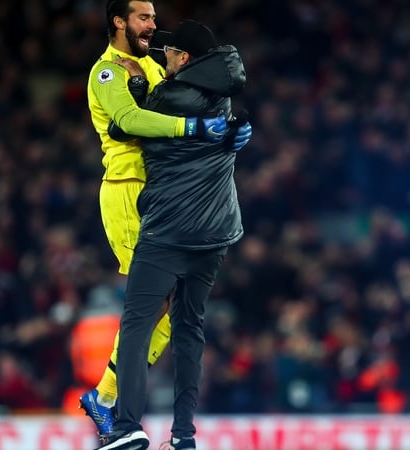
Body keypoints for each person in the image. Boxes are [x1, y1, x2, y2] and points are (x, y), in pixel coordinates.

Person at [80, 0, 250, 439]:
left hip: (162, 193)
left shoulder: (154, 67)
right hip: (126, 189)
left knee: (170, 311)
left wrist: (231, 132)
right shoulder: (108, 72)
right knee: (153, 307)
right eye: (143, 17)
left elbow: (189, 98)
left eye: (154, 18)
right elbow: (131, 121)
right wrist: (197, 130)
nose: (153, 26)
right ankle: (113, 405)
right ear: (119, 21)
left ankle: (112, 400)